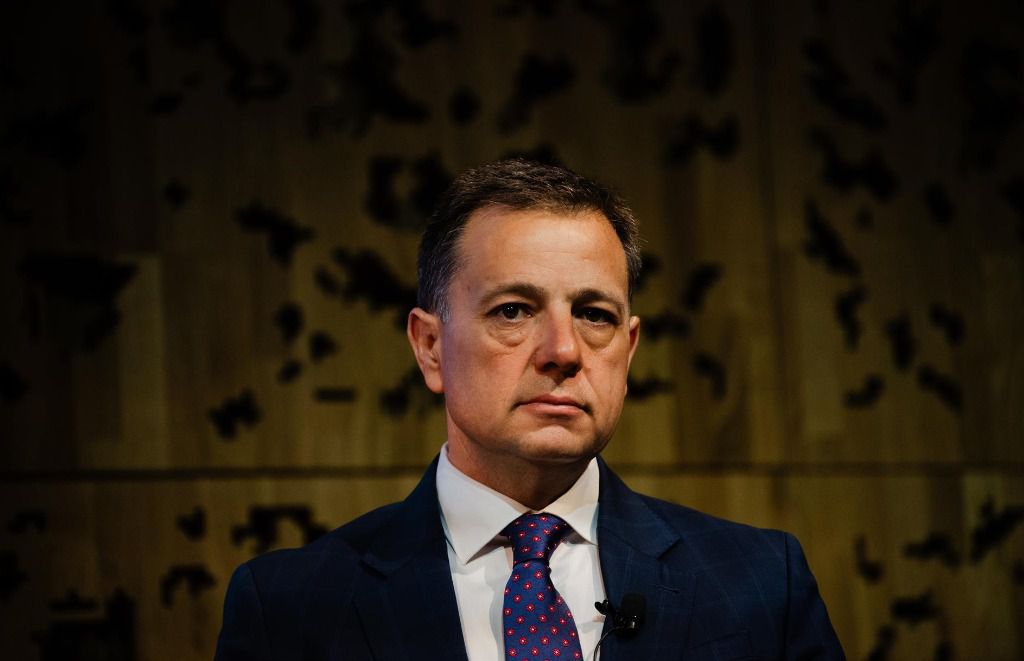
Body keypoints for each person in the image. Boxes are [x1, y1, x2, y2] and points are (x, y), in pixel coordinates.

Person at [215, 159, 845, 660]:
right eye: (513, 310)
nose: (564, 351)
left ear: (627, 351)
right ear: (430, 347)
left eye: (594, 314)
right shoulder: (290, 608)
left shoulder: (763, 583)